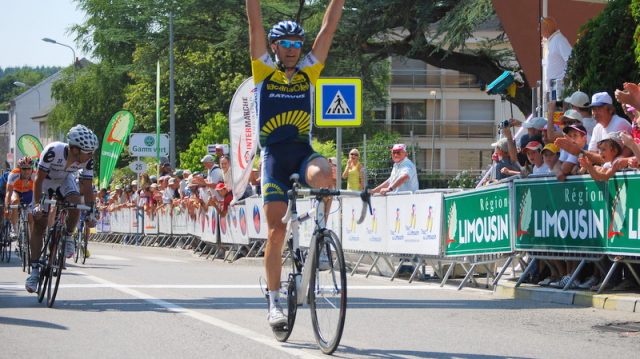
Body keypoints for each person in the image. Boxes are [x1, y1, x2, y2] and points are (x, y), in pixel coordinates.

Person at [246, 0, 344, 327]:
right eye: (285, 44)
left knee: (326, 176)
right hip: (274, 156)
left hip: (303, 151)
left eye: (296, 44)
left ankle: (320, 242)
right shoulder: (263, 70)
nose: (291, 49)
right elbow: (255, 25)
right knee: (276, 231)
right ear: (274, 47)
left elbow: (327, 29)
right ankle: (273, 302)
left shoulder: (309, 72)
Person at [25, 125, 98, 293]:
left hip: (65, 181)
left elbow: (86, 186)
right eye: (87, 152)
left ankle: (68, 235)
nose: (90, 156)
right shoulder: (53, 151)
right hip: (45, 183)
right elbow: (38, 180)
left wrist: (91, 210)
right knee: (40, 224)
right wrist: (37, 205)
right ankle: (35, 271)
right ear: (74, 149)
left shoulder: (88, 159)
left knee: (75, 202)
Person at [540, 17, 572, 100]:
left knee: (558, 111)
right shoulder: (551, 41)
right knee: (553, 111)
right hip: (553, 86)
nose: (539, 31)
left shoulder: (559, 40)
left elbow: (571, 60)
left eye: (541, 28)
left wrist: (564, 80)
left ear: (547, 27)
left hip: (559, 86)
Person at [4, 157, 35, 239]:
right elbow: (8, 192)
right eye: (24, 169)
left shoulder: (35, 175)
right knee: (15, 202)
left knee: (31, 217)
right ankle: (15, 230)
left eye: (29, 168)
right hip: (16, 192)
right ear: (19, 169)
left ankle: (31, 239)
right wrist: (7, 207)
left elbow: (38, 191)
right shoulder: (13, 174)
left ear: (32, 168)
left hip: (28, 193)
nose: (27, 171)